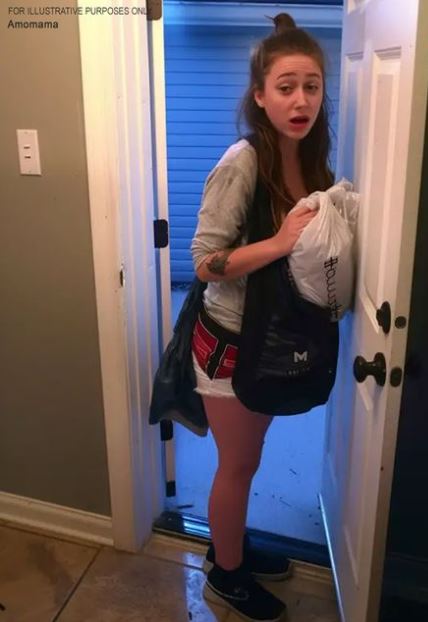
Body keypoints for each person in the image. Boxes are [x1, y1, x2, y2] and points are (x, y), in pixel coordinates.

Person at [190, 12, 334, 622]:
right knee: (239, 464)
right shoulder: (242, 161)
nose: (301, 101)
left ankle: (232, 545)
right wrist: (279, 242)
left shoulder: (310, 155)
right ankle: (226, 575)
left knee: (249, 456)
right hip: (229, 342)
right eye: (286, 87)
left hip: (271, 336)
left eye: (312, 86)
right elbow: (204, 262)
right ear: (259, 96)